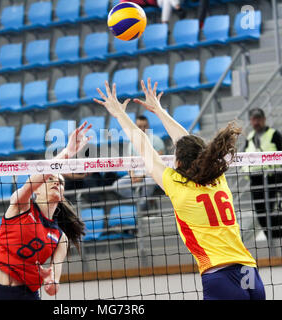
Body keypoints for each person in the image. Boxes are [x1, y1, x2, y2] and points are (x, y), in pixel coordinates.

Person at [95, 78, 265, 300]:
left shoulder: (177, 186)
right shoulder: (218, 178)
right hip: (249, 271)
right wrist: (159, 110)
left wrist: (120, 115)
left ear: (179, 164)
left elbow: (144, 147)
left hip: (219, 276)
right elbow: (187, 141)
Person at [0, 122, 90, 300]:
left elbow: (53, 286)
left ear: (62, 193)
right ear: (37, 188)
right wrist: (67, 153)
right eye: (51, 179)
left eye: (61, 182)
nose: (56, 183)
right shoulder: (21, 205)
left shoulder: (60, 237)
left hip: (26, 295)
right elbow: (38, 176)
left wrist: (50, 281)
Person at [243, 108, 282, 241]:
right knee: (261, 215)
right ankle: (272, 243)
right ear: (251, 121)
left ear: (264, 119)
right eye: (254, 119)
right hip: (256, 182)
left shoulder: (274, 134)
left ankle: (281, 243)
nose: (256, 121)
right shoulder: (250, 138)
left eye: (259, 118)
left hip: (273, 179)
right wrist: (248, 175)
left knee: (275, 213)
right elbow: (244, 160)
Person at [113, 115, 165, 210]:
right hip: (136, 174)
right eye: (139, 127)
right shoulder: (132, 143)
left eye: (144, 126)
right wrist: (132, 175)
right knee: (117, 185)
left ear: (148, 126)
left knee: (149, 181)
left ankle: (141, 206)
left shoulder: (157, 140)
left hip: (151, 174)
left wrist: (142, 176)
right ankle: (141, 200)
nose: (142, 129)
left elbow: (158, 165)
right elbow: (130, 163)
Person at [120, 0, 186, 24]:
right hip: (157, 2)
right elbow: (124, 8)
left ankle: (164, 23)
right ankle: (178, 8)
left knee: (167, 1)